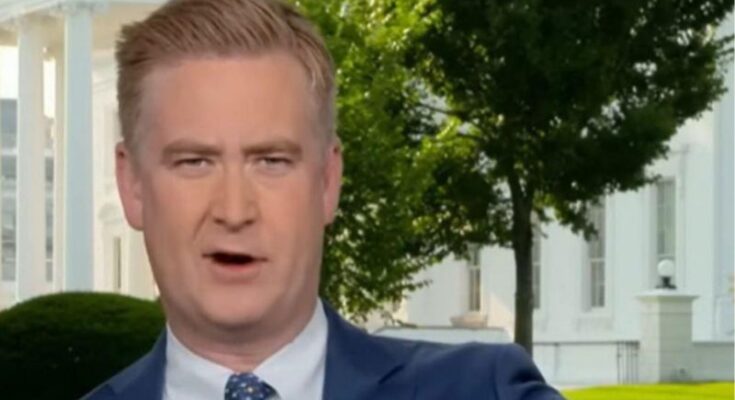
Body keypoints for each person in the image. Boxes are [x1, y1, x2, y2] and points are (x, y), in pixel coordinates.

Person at [84, 0, 564, 399]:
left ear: (328, 181)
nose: (233, 211)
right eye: (194, 162)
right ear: (133, 184)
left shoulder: (483, 390)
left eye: (271, 161)